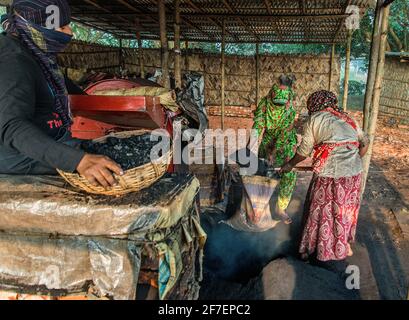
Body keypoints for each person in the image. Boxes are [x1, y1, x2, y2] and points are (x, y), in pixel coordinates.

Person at [0, 0, 122, 189]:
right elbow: (11, 127)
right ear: (35, 26)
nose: (69, 33)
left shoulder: (38, 56)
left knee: (119, 151)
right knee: (115, 168)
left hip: (51, 141)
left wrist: (121, 116)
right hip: (19, 159)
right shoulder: (14, 61)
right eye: (61, 26)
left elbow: (73, 92)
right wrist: (78, 161)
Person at [281, 90, 369, 262]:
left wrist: (290, 164)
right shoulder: (348, 119)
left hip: (330, 174)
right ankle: (343, 245)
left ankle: (312, 249)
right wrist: (351, 159)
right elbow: (364, 143)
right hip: (353, 175)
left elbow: (304, 151)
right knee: (344, 210)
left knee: (321, 211)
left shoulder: (315, 119)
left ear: (313, 105)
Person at [252, 75, 298, 224]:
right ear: (271, 96)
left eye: (281, 105)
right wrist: (250, 145)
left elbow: (285, 132)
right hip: (268, 139)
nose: (278, 107)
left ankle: (280, 208)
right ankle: (259, 205)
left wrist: (274, 151)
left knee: (288, 173)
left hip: (286, 142)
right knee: (263, 170)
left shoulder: (290, 107)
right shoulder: (264, 104)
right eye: (275, 104)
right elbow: (258, 125)